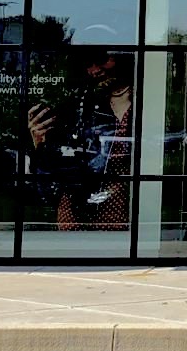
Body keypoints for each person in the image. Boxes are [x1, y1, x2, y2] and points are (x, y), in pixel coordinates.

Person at [26, 49, 134, 230]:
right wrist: (41, 144)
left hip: (124, 207)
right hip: (77, 208)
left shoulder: (150, 101)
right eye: (87, 64)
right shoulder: (78, 105)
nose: (95, 70)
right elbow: (55, 167)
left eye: (101, 59)